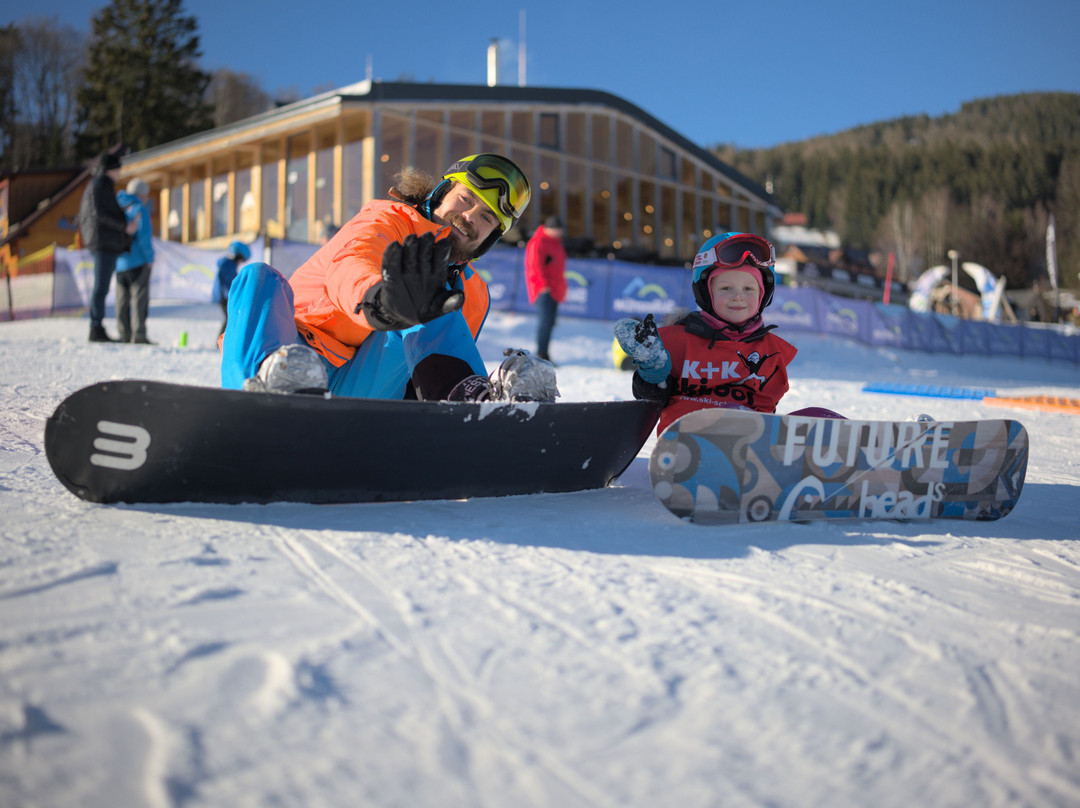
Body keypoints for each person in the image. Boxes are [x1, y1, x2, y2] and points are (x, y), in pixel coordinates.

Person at [220, 153, 557, 403]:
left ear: (490, 238)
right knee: (257, 277)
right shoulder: (390, 219)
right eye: (465, 199)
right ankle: (263, 394)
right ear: (442, 193)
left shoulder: (473, 292)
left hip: (358, 390)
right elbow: (352, 261)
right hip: (291, 349)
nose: (469, 217)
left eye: (486, 217)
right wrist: (381, 300)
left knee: (430, 303)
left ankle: (470, 415)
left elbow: (424, 370)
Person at [615, 232, 839, 434]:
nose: (738, 296)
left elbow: (766, 413)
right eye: (725, 288)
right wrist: (654, 371)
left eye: (748, 289)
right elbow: (650, 401)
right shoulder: (676, 341)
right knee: (734, 414)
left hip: (748, 445)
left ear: (763, 295)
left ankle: (851, 453)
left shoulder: (770, 351)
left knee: (817, 416)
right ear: (705, 292)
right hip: (684, 446)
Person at [79, 152, 138, 342]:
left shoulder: (101, 185)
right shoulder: (100, 185)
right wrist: (124, 225)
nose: (120, 172)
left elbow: (103, 212)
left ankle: (97, 326)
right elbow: (100, 214)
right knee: (101, 286)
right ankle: (95, 327)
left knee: (102, 286)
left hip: (103, 241)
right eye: (118, 168)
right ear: (111, 169)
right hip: (102, 242)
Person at [114, 178, 155, 343]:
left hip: (119, 263)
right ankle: (139, 334)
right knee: (139, 299)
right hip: (138, 261)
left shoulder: (118, 208)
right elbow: (144, 237)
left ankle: (124, 333)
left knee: (122, 300)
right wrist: (150, 258)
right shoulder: (139, 209)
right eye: (145, 194)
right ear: (140, 194)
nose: (146, 198)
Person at [524, 216, 567, 361]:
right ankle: (541, 354)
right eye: (556, 229)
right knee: (545, 322)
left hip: (554, 290)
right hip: (544, 290)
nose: (559, 232)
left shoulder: (556, 243)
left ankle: (544, 353)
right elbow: (534, 266)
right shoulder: (538, 242)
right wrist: (542, 286)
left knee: (550, 323)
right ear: (549, 229)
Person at [215, 240, 251, 336]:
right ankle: (222, 341)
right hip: (226, 297)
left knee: (230, 318)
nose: (241, 262)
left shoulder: (228, 264)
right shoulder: (228, 265)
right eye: (241, 259)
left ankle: (223, 340)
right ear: (237, 255)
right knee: (230, 319)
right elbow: (231, 284)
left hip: (225, 296)